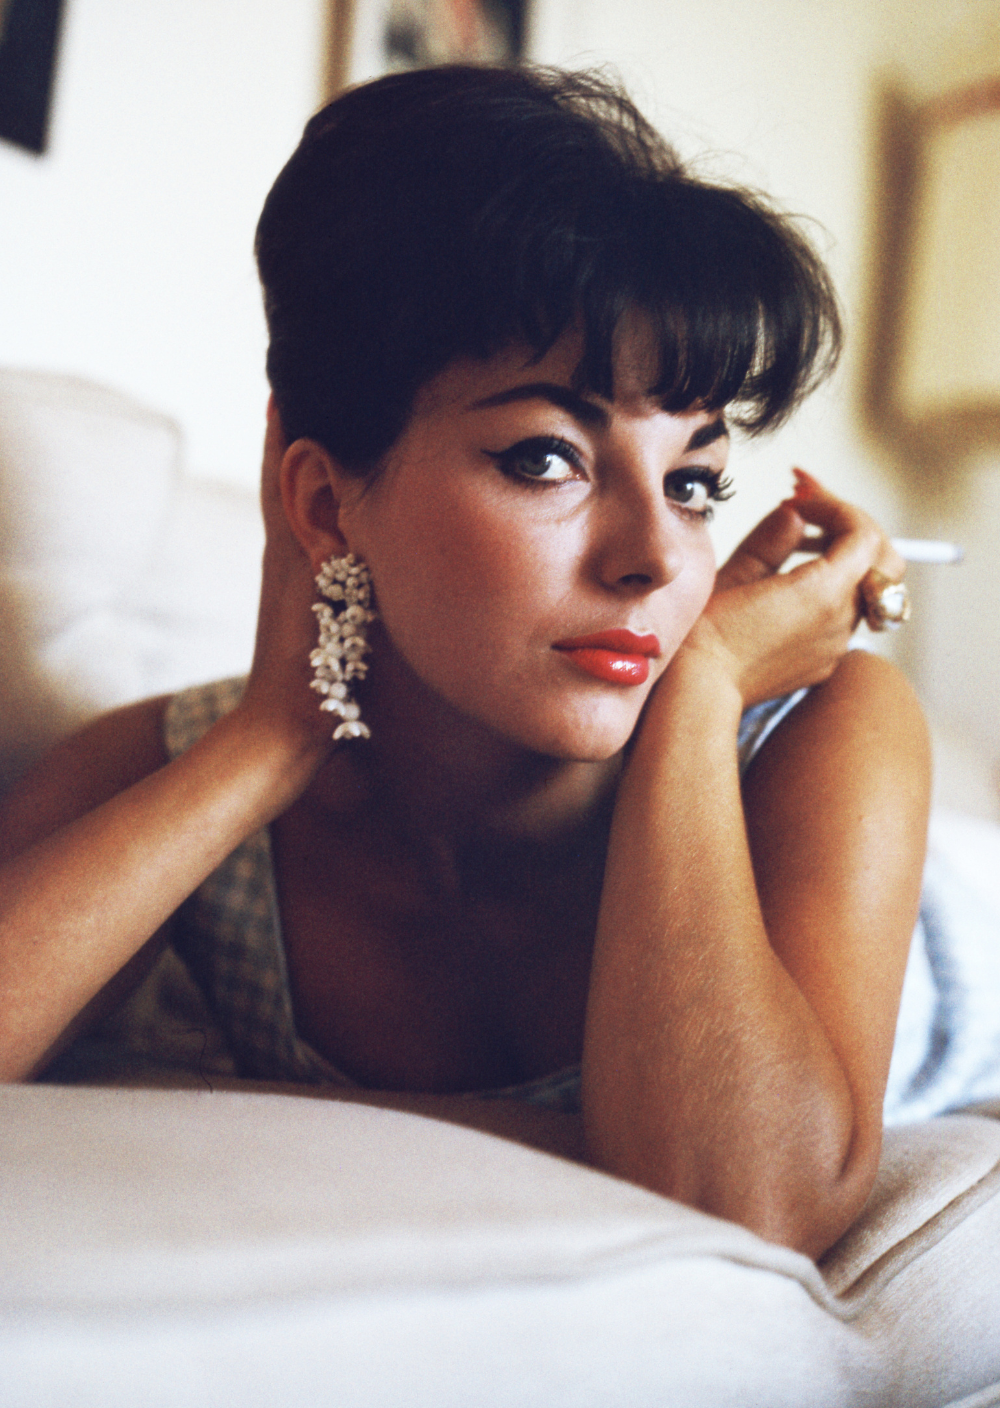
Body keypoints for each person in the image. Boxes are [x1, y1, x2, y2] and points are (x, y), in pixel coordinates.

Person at [0, 65, 932, 1260]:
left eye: (693, 481)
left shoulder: (817, 728)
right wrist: (273, 738)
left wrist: (698, 689)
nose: (656, 556)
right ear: (325, 503)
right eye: (548, 458)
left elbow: (750, 1207)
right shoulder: (169, 769)